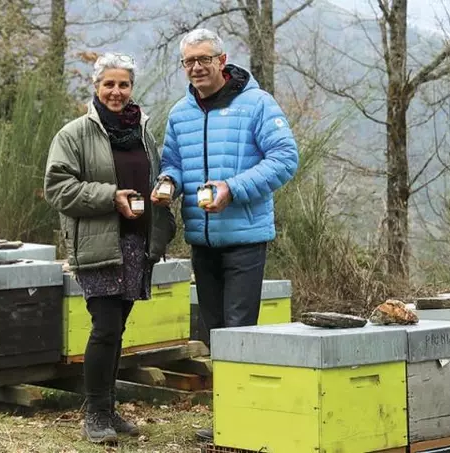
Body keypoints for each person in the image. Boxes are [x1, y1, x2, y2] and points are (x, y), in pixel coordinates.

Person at [150, 28, 298, 441]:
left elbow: (286, 159)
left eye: (204, 59)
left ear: (222, 59)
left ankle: (243, 421)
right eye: (189, 61)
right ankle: (228, 417)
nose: (196, 67)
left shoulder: (257, 103)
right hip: (202, 238)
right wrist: (167, 181)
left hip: (246, 237)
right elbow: (174, 162)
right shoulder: (181, 112)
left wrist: (233, 189)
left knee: (238, 330)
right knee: (215, 332)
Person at [44, 52, 176, 444]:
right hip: (98, 242)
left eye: (124, 85)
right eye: (109, 85)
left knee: (117, 328)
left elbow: (156, 173)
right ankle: (95, 414)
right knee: (104, 327)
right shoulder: (74, 134)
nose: (117, 92)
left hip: (137, 243)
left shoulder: (142, 132)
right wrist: (109, 197)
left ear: (131, 89)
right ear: (96, 87)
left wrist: (164, 188)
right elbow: (58, 188)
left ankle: (109, 408)